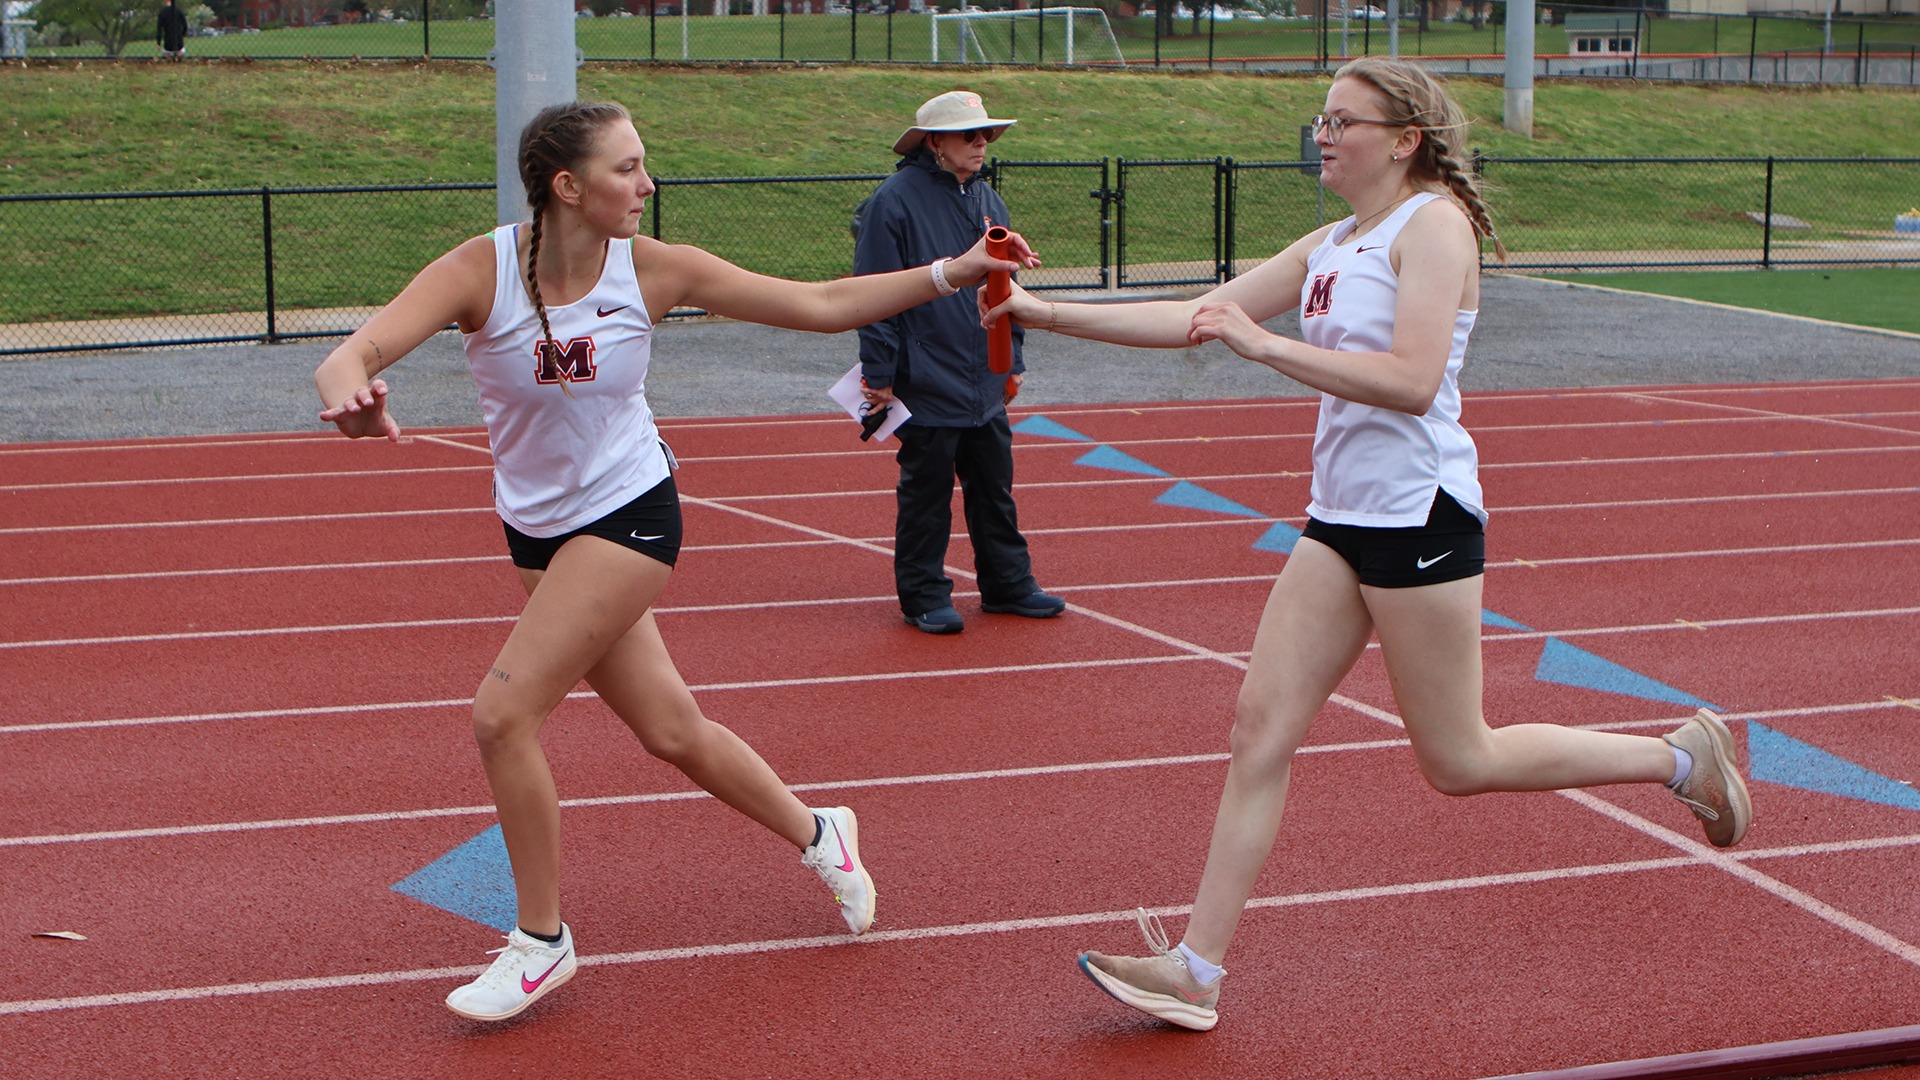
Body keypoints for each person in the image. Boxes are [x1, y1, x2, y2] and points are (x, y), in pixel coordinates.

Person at [983, 58, 1753, 1031]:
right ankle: (1195, 971)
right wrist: (1042, 312)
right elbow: (1199, 318)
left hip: (1420, 518)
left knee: (1459, 758)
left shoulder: (1432, 226)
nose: (1323, 133)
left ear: (1403, 139)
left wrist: (1267, 349)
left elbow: (1412, 379)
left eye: (1344, 120)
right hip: (1340, 521)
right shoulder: (1335, 239)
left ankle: (1679, 758)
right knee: (1257, 730)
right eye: (1321, 117)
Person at [314, 100, 1035, 1023]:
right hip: (536, 530)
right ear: (567, 187)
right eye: (627, 169)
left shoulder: (654, 271)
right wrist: (357, 400)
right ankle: (822, 833)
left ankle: (541, 942)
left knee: (501, 716)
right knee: (672, 730)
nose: (647, 185)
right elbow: (353, 354)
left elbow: (816, 304)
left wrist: (954, 270)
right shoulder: (481, 270)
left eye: (644, 164)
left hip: (630, 514)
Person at [854, 90, 1066, 635]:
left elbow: (1006, 288)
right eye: (969, 134)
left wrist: (1011, 359)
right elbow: (871, 294)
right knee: (926, 495)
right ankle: (924, 594)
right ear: (934, 143)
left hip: (982, 376)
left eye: (986, 134)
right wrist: (878, 376)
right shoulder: (892, 202)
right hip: (923, 378)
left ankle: (1007, 585)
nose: (982, 142)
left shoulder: (988, 199)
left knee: (994, 487)